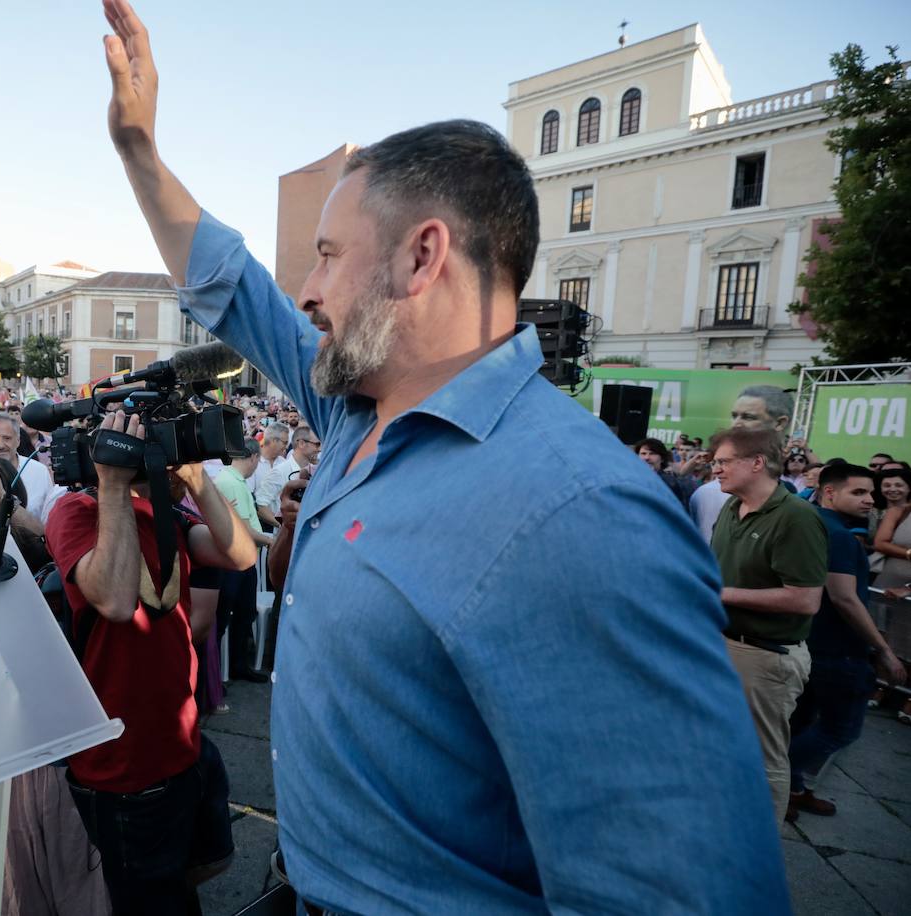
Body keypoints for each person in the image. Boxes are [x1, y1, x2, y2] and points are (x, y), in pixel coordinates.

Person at [96, 2, 785, 910]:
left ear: (422, 258)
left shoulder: (581, 516)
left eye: (328, 256)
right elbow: (232, 288)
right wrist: (141, 152)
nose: (304, 291)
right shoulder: (352, 410)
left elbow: (680, 892)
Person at [43, 411, 257, 914]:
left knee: (188, 880)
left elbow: (242, 556)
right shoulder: (75, 510)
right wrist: (112, 483)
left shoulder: (167, 514)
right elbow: (116, 602)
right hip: (123, 765)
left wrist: (197, 479)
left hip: (183, 742)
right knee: (148, 903)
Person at [709, 427, 827, 824]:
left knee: (762, 759)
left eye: (723, 461)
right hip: (726, 646)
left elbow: (805, 598)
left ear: (756, 462)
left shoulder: (796, 517)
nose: (715, 469)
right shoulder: (732, 506)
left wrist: (719, 594)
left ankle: (762, 864)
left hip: (765, 656)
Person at [786, 464, 907, 821]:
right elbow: (845, 598)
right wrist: (884, 651)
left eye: (871, 493)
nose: (870, 499)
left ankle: (790, 789)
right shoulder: (836, 534)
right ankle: (774, 781)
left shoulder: (811, 522)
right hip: (837, 650)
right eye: (858, 492)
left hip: (812, 644)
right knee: (841, 728)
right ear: (828, 492)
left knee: (804, 720)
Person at [689, 385, 795, 541]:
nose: (736, 424)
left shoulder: (797, 507)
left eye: (748, 417)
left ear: (780, 423)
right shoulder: (708, 494)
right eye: (734, 416)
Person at [211, 439, 273, 681]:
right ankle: (219, 674)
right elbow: (245, 531)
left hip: (241, 560)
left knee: (243, 614)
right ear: (254, 457)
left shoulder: (231, 479)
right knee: (226, 618)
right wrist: (269, 541)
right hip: (235, 561)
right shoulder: (233, 483)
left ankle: (234, 667)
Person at [0, 412, 66, 523]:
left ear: (18, 441)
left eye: (7, 438)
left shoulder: (39, 471)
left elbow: (50, 517)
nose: (0, 445)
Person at [633, 436, 699, 508]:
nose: (647, 458)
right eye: (643, 453)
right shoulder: (630, 478)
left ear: (662, 458)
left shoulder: (670, 482)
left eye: (652, 453)